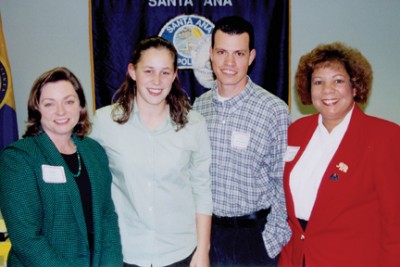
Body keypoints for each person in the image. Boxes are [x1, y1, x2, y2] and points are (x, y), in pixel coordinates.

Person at [90, 36, 213, 267]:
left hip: (181, 253)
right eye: (148, 71)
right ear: (132, 71)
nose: (157, 81)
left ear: (175, 75)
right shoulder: (104, 122)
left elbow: (202, 189)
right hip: (125, 253)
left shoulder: (194, 124)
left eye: (165, 72)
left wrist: (203, 250)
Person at [279, 42, 400, 267]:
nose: (327, 90)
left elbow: (395, 225)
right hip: (298, 259)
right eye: (318, 82)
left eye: (338, 81)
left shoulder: (385, 137)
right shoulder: (296, 132)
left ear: (355, 87)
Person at [193, 16, 291, 266]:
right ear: (211, 55)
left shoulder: (273, 110)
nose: (229, 62)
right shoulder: (198, 107)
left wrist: (270, 241)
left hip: (253, 239)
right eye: (222, 51)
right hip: (206, 235)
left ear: (251, 57)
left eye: (238, 53)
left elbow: (283, 181)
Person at [0, 67, 123, 267]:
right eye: (50, 104)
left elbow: (107, 216)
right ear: (37, 108)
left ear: (80, 105)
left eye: (69, 101)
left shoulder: (94, 151)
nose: (61, 111)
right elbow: (27, 240)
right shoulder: (18, 158)